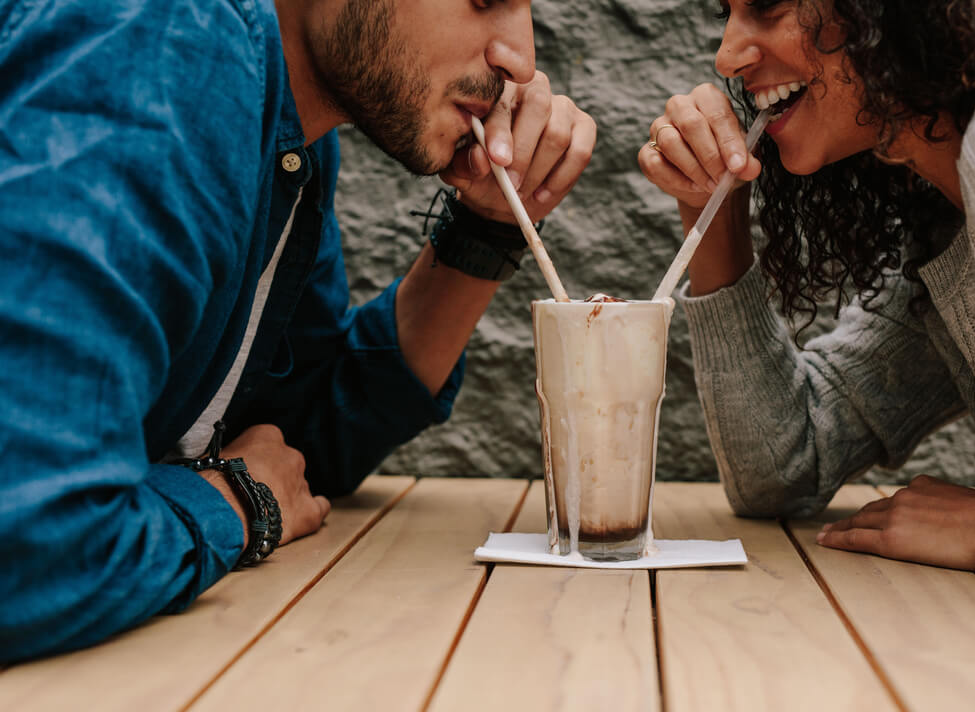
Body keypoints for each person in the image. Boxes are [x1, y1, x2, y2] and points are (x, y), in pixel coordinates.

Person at [0, 0, 595, 662]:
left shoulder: (296, 144)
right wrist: (240, 503)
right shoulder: (163, 38)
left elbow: (297, 445)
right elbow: (27, 540)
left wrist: (487, 227)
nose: (520, 59)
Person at [639, 0, 975, 594]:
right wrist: (710, 210)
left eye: (767, 6)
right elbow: (787, 463)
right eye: (728, 13)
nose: (726, 56)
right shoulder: (948, 229)